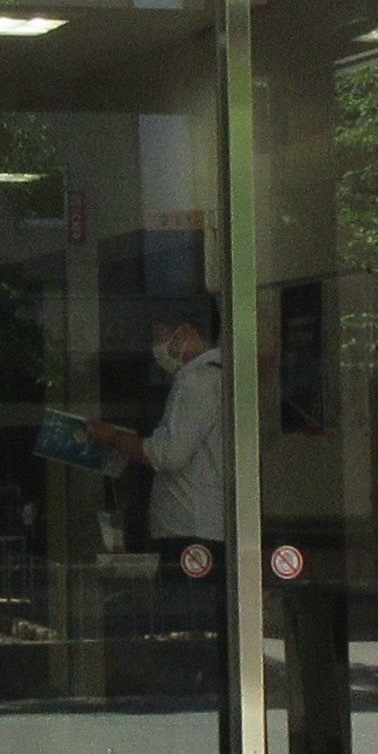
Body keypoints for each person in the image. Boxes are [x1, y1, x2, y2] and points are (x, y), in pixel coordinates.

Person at [97, 294, 227, 687]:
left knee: (191, 624)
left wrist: (115, 439)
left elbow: (168, 454)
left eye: (160, 336)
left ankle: (195, 684)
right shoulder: (212, 378)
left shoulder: (198, 381)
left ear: (186, 333)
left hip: (192, 528)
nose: (158, 348)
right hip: (199, 524)